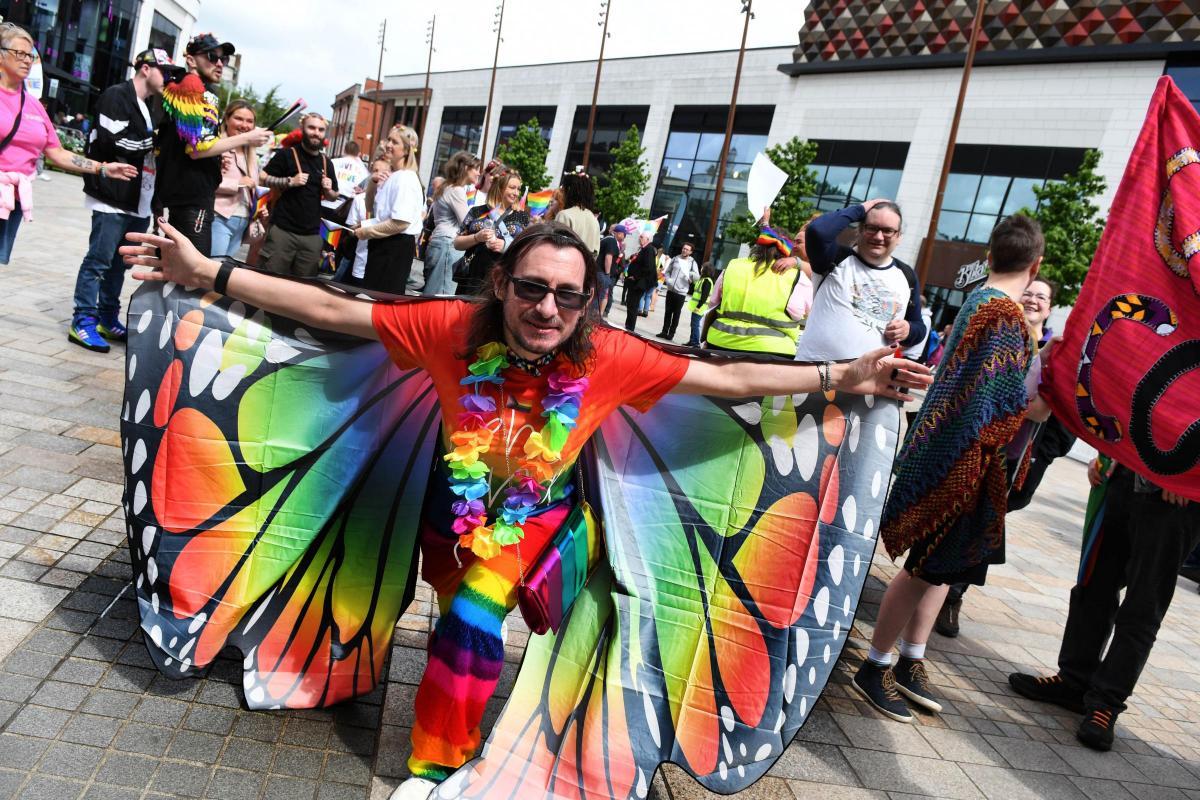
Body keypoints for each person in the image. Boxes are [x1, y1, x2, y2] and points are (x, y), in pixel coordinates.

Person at [120, 215, 932, 800]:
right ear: (503, 283)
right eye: (534, 289)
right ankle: (457, 710)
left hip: (541, 523)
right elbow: (334, 311)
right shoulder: (450, 329)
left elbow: (728, 381)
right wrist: (208, 274)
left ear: (589, 304)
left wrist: (847, 377)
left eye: (569, 298)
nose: (549, 310)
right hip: (450, 513)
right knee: (457, 622)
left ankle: (439, 768)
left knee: (475, 620)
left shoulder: (608, 356)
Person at [852, 215, 1051, 724]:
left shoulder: (980, 302)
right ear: (1036, 264)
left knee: (942, 568)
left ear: (990, 256)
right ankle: (875, 665)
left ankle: (910, 657)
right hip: (961, 462)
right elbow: (993, 402)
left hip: (955, 454)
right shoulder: (1003, 315)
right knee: (924, 567)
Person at [1008, 459, 1199, 750]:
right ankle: (1074, 680)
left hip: (1178, 497)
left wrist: (1190, 476)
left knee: (1143, 606)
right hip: (1124, 474)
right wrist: (1108, 454)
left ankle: (1106, 702)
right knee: (1094, 582)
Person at [935, 278, 1075, 638]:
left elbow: (1056, 408)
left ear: (1050, 307)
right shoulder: (1004, 333)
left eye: (1041, 296)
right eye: (1028, 292)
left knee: (988, 519)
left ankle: (950, 588)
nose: (1032, 300)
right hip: (980, 445)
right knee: (966, 517)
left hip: (1020, 456)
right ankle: (944, 589)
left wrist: (1044, 452)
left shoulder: (1057, 349)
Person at [66, 48, 177, 352]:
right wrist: (154, 140)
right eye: (163, 71)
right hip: (111, 198)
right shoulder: (117, 95)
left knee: (119, 264)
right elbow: (111, 140)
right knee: (99, 261)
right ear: (144, 68)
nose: (167, 78)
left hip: (138, 200)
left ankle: (106, 317)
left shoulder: (149, 104)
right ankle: (82, 320)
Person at [0, 23, 138, 265]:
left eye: (30, 55)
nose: (27, 61)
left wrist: (102, 168)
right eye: (19, 54)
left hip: (12, 202)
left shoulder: (33, 106)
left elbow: (58, 153)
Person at [155, 33, 272, 254]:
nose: (219, 63)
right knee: (194, 277)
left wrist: (218, 156)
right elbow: (197, 149)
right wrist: (248, 137)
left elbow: (197, 146)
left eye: (224, 59)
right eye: (212, 56)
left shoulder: (200, 89)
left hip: (192, 196)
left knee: (180, 272)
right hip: (191, 199)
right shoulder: (191, 86)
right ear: (190, 60)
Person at [794, 199, 926, 361]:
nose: (878, 237)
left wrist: (909, 330)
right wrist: (860, 209)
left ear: (899, 236)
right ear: (860, 229)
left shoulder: (907, 276)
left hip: (870, 382)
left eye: (887, 231)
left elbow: (919, 328)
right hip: (816, 376)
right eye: (872, 228)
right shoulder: (835, 257)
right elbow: (817, 231)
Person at [705, 227, 812, 357]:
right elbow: (805, 313)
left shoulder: (733, 265)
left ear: (758, 245)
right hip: (772, 351)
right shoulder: (797, 277)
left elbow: (713, 303)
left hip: (720, 343)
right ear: (786, 249)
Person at [259, 113, 339, 277]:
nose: (316, 132)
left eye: (321, 129)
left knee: (303, 286)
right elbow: (262, 178)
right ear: (302, 129)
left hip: (312, 236)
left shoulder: (326, 162)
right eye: (312, 128)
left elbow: (333, 196)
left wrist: (329, 189)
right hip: (283, 231)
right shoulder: (287, 154)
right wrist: (289, 181)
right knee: (270, 280)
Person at [356, 124, 423, 294]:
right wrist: (372, 182)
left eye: (395, 142)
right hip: (385, 244)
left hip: (394, 248)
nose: (388, 145)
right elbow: (370, 207)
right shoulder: (394, 176)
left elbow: (400, 223)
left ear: (407, 150)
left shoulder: (406, 179)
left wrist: (367, 232)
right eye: (388, 140)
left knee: (380, 300)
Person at [451, 168, 529, 298]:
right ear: (500, 187)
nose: (516, 193)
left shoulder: (522, 217)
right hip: (472, 275)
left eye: (518, 189)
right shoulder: (477, 211)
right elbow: (457, 243)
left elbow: (525, 249)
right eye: (512, 188)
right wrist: (476, 237)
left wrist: (504, 246)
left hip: (499, 279)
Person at [423, 151, 479, 296]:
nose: (478, 173)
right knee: (441, 296)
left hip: (440, 242)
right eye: (476, 169)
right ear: (466, 168)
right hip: (447, 245)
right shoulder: (456, 190)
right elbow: (468, 223)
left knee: (434, 292)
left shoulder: (447, 187)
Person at [210, 100, 259, 258]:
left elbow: (253, 184)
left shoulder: (249, 151)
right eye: (239, 118)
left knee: (224, 272)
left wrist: (258, 206)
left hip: (243, 220)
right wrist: (237, 183)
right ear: (227, 119)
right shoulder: (216, 145)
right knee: (213, 270)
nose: (244, 125)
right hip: (219, 215)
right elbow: (205, 182)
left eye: (249, 121)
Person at [333, 155, 390, 287]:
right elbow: (350, 229)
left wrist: (365, 225)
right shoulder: (360, 199)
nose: (377, 175)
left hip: (380, 263)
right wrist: (357, 229)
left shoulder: (391, 201)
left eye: (382, 172)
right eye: (374, 171)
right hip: (359, 260)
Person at [657, 242, 699, 341]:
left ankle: (671, 334)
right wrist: (668, 281)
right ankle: (664, 331)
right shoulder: (676, 259)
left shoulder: (692, 262)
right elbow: (667, 271)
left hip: (681, 292)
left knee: (676, 314)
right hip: (671, 289)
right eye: (684, 248)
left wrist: (690, 275)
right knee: (668, 312)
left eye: (687, 249)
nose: (684, 250)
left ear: (691, 252)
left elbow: (697, 277)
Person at [552, 172, 600, 257]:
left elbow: (556, 246)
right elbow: (596, 252)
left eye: (563, 191)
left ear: (569, 192)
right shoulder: (593, 219)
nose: (561, 195)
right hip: (585, 268)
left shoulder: (565, 215)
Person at [624, 233, 657, 333]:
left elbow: (648, 267)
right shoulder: (643, 249)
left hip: (639, 283)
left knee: (633, 305)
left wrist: (635, 276)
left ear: (648, 239)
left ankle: (630, 328)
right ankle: (628, 326)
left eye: (642, 237)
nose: (640, 238)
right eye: (640, 236)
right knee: (630, 303)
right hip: (635, 282)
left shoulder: (649, 249)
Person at [595, 223, 626, 315]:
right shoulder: (611, 241)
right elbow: (608, 257)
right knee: (600, 296)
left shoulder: (610, 240)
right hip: (602, 273)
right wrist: (607, 274)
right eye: (625, 234)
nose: (625, 236)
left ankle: (598, 315)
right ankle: (594, 316)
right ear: (620, 233)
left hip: (601, 272)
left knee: (604, 295)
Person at [685, 261, 716, 347]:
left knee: (695, 325)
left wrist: (698, 306)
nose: (700, 268)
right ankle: (692, 341)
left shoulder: (707, 281)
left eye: (702, 267)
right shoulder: (702, 280)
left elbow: (704, 296)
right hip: (697, 306)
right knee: (693, 324)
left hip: (700, 307)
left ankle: (696, 343)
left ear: (706, 269)